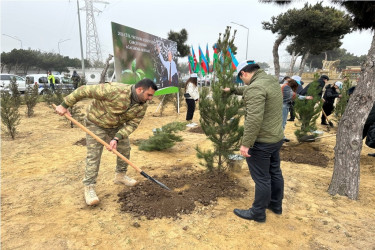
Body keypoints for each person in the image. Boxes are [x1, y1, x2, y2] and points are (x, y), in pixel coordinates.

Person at [55, 79, 158, 206]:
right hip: (96, 123)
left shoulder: (142, 105)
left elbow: (133, 124)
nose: (150, 98)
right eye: (149, 95)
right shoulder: (114, 90)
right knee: (94, 155)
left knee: (125, 149)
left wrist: (117, 138)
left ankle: (120, 175)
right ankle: (89, 187)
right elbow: (83, 90)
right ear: (139, 90)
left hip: (116, 126)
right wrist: (64, 105)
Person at [224, 60, 284, 223]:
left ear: (243, 73)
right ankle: (276, 205)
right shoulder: (270, 80)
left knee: (262, 178)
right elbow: (251, 89)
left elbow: (253, 119)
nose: (242, 82)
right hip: (276, 138)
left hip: (262, 141)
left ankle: (258, 212)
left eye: (240, 79)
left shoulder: (256, 87)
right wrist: (233, 90)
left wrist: (245, 144)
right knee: (275, 172)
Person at [348, 86, 375, 157]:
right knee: (359, 136)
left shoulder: (368, 96)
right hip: (366, 119)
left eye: (351, 95)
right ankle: (351, 151)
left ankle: (351, 151)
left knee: (361, 135)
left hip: (369, 119)